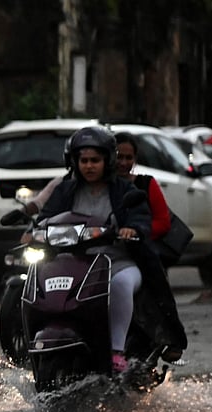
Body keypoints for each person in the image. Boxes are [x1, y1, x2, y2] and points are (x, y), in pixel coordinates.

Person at [38, 126, 151, 374]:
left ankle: (117, 351)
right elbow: (45, 217)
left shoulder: (124, 190)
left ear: (107, 161)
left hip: (116, 261)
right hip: (72, 261)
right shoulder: (65, 189)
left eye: (95, 160)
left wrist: (132, 228)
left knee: (121, 284)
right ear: (74, 162)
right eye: (84, 160)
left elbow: (141, 217)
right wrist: (32, 231)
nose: (89, 166)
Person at [112, 131, 187, 361]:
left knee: (153, 286)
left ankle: (171, 339)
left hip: (139, 250)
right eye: (119, 157)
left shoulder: (145, 184)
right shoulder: (99, 185)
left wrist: (135, 234)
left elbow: (162, 222)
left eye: (129, 157)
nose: (124, 163)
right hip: (104, 253)